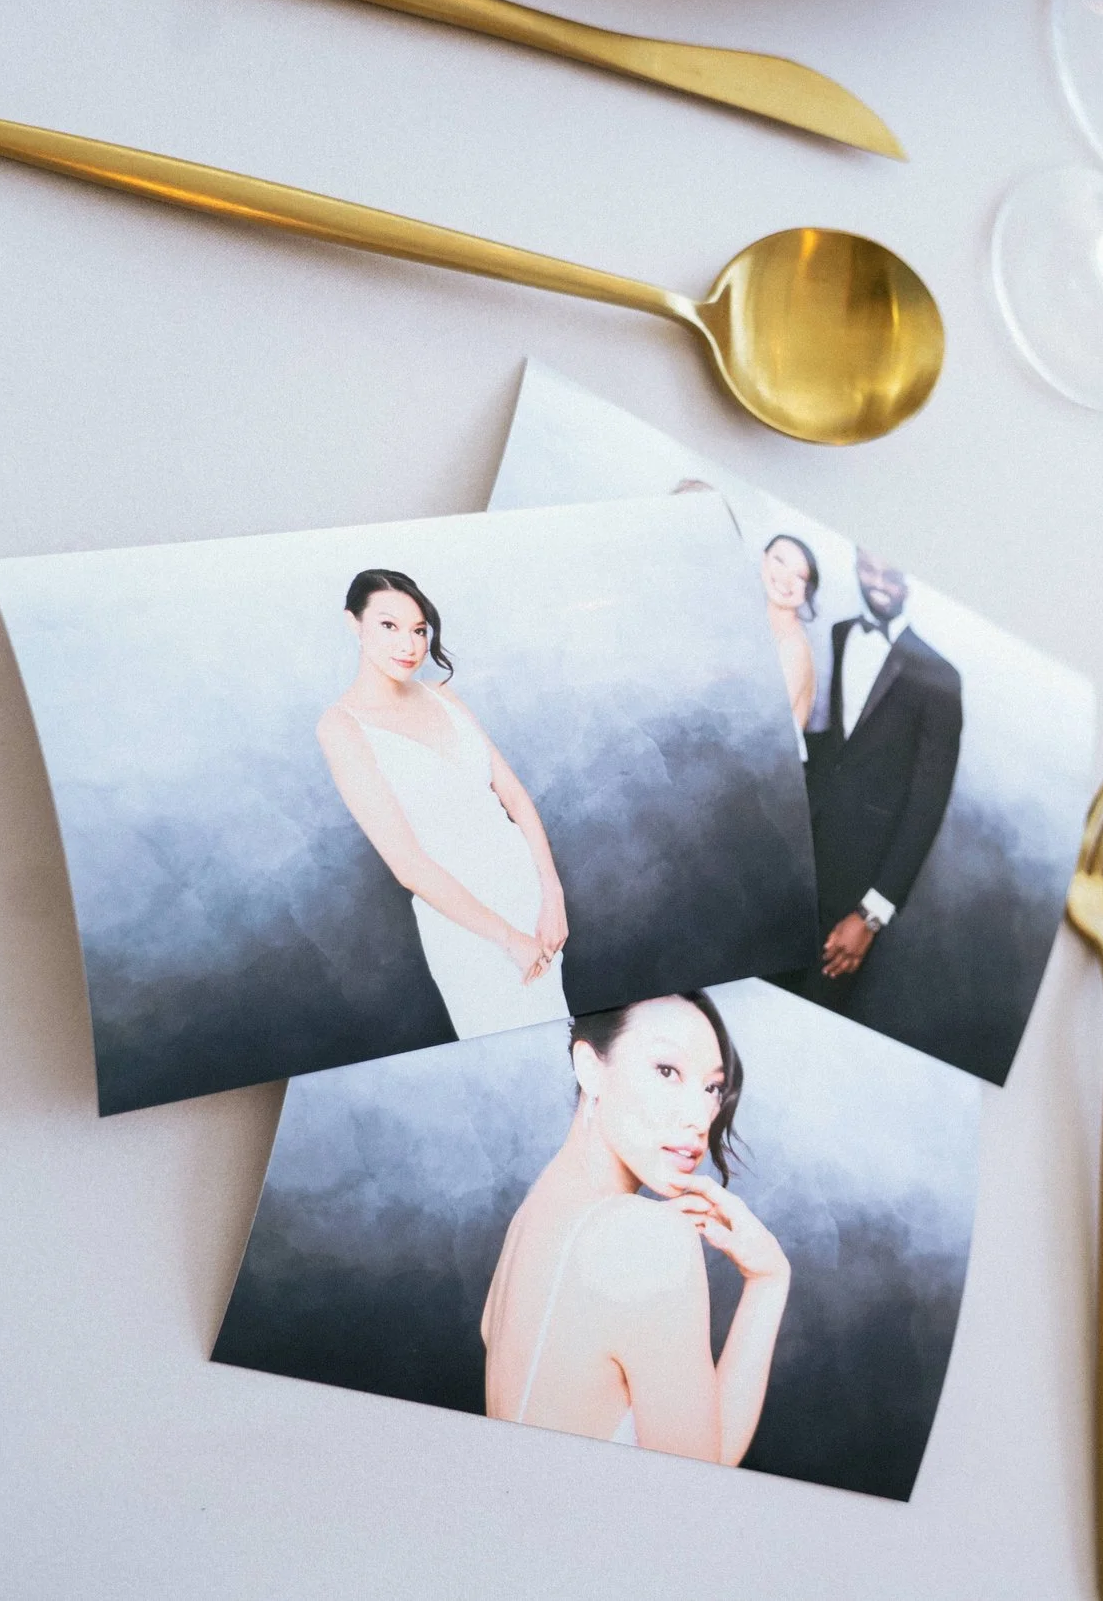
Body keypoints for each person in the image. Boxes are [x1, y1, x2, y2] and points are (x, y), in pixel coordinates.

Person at [479, 993, 789, 1460]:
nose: (699, 1118)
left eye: (711, 1088)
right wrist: (769, 1279)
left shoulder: (534, 1215)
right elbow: (700, 1479)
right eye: (667, 1071)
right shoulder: (648, 1238)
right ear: (590, 1067)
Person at [316, 568, 569, 1040]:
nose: (408, 646)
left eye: (418, 630)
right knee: (510, 1053)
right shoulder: (342, 726)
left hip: (527, 898)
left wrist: (551, 894)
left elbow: (514, 795)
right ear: (354, 624)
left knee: (560, 1038)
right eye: (388, 626)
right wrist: (507, 938)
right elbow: (407, 864)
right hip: (466, 925)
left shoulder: (441, 694)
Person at [782, 547, 961, 1011]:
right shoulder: (840, 634)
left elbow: (927, 806)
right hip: (798, 865)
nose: (877, 582)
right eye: (867, 569)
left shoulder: (941, 677)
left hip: (855, 891)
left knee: (812, 1013)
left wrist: (871, 914)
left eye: (891, 574)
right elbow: (831, 748)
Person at [760, 533, 822, 734]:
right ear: (763, 559)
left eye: (799, 576)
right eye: (780, 561)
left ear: (808, 590)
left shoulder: (792, 647)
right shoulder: (766, 628)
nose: (786, 579)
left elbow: (763, 725)